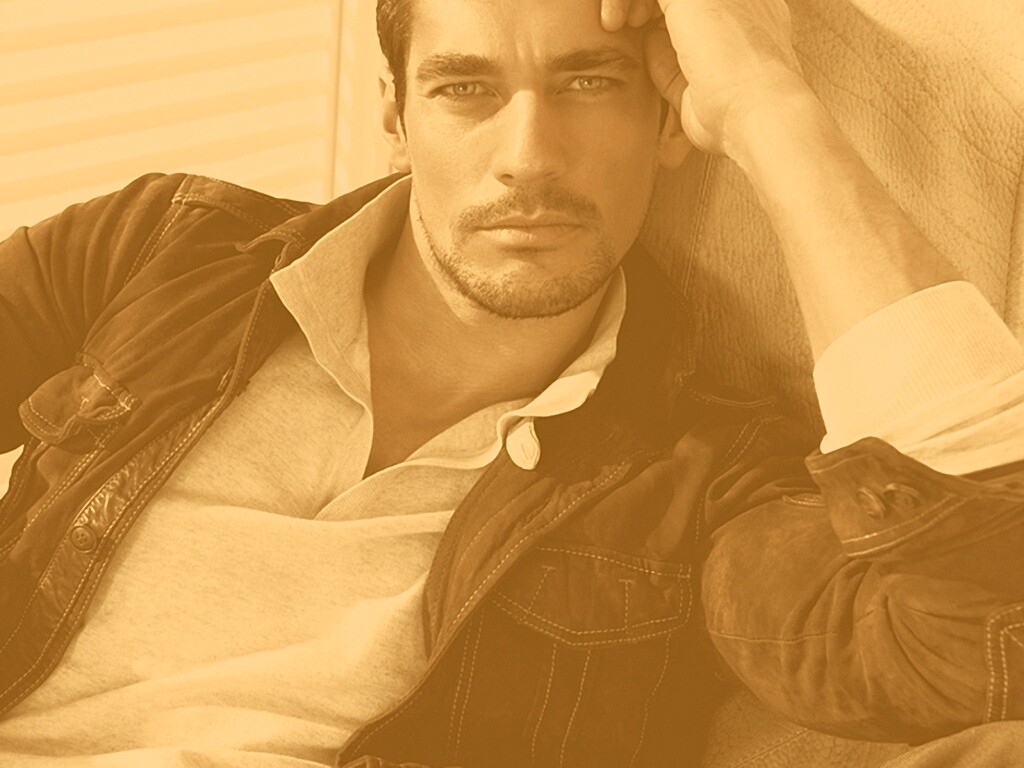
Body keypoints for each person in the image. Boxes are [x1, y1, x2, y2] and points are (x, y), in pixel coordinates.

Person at [0, 0, 1021, 765]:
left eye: (590, 83)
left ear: (671, 120)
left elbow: (977, 645)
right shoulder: (159, 250)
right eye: (465, 88)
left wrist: (770, 109)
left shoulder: (702, 480)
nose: (529, 158)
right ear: (397, 114)